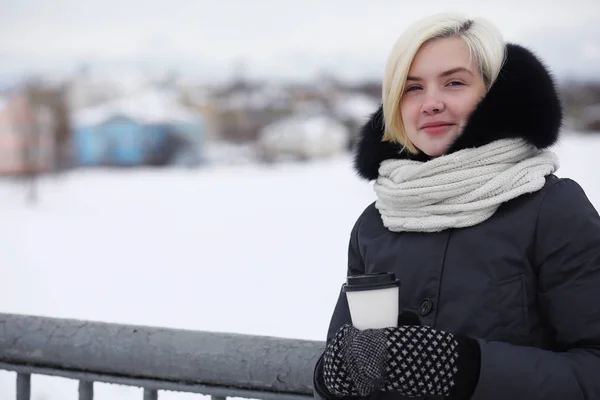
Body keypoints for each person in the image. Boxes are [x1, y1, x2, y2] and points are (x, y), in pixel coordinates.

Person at [312, 12, 600, 400]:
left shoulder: (552, 209)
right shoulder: (377, 223)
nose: (431, 103)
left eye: (454, 83)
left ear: (494, 94)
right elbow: (348, 355)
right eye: (412, 88)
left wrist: (468, 368)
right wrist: (331, 377)